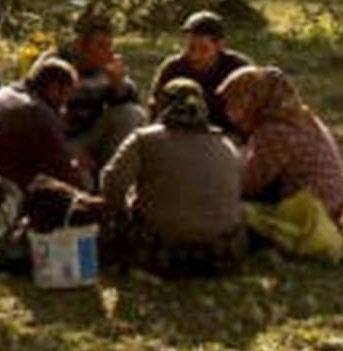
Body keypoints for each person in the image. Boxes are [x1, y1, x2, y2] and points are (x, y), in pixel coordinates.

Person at [99, 79, 247, 277]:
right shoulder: (226, 144)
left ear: (162, 104)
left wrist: (121, 212)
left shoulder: (144, 139)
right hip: (220, 252)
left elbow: (111, 184)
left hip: (162, 249)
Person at [217, 66, 343, 261]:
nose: (229, 112)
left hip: (311, 213)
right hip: (330, 205)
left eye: (235, 103)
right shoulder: (300, 117)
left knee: (231, 212)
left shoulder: (274, 131)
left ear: (254, 100)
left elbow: (249, 185)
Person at [0, 58, 91, 216]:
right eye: (67, 95)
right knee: (83, 178)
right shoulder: (36, 112)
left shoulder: (0, 95)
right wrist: (92, 204)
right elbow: (64, 171)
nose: (66, 104)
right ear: (54, 88)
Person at [37, 13, 146, 170]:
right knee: (81, 179)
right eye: (100, 45)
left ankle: (114, 174)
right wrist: (68, 151)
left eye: (110, 46)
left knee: (132, 113)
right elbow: (37, 117)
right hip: (57, 140)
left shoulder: (106, 68)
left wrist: (118, 86)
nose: (107, 52)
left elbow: (133, 102)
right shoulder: (54, 65)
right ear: (80, 45)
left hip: (89, 133)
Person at [149, 10, 253, 137]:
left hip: (229, 138)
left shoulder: (238, 68)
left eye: (204, 49)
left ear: (220, 46)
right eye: (191, 48)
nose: (195, 56)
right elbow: (156, 109)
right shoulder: (173, 68)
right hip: (181, 136)